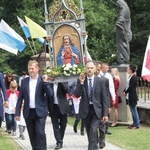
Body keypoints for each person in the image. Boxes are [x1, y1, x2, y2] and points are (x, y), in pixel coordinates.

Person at [15, 60, 53, 150]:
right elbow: (20, 98)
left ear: (37, 69)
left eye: (32, 68)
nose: (30, 70)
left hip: (40, 112)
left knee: (40, 132)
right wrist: (17, 113)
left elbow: (50, 94)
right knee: (32, 135)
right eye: (29, 69)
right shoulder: (24, 81)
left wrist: (45, 82)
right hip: (28, 112)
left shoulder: (42, 80)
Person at [74, 60, 108, 150]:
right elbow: (77, 94)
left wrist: (105, 114)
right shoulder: (81, 80)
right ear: (85, 69)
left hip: (97, 110)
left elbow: (104, 98)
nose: (89, 69)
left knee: (93, 129)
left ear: (95, 69)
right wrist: (81, 83)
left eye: (91, 68)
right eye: (88, 68)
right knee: (90, 132)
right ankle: (94, 147)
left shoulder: (101, 81)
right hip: (85, 110)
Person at [47, 82, 70, 150]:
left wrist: (61, 82)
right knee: (55, 126)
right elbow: (47, 96)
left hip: (62, 107)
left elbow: (67, 90)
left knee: (63, 125)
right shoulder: (49, 85)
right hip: (53, 108)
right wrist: (47, 109)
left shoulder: (63, 83)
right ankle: (59, 142)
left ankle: (60, 138)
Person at [95, 62, 110, 149]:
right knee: (94, 125)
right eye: (97, 69)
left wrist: (107, 106)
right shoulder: (90, 79)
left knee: (102, 124)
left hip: (102, 106)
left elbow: (106, 94)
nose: (98, 70)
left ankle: (102, 140)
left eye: (99, 69)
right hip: (94, 106)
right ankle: (96, 139)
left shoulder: (104, 80)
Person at [100, 62, 116, 135]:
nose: (107, 69)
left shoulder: (109, 76)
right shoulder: (98, 74)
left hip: (106, 95)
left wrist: (113, 96)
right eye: (106, 68)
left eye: (108, 68)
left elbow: (111, 87)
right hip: (98, 96)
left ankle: (106, 128)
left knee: (107, 111)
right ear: (102, 68)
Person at [123, 64, 140, 130]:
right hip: (128, 96)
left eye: (128, 69)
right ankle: (134, 123)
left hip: (132, 96)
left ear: (130, 70)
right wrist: (124, 90)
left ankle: (137, 124)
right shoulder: (130, 76)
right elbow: (127, 86)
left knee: (134, 111)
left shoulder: (134, 77)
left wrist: (126, 92)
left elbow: (131, 87)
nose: (127, 70)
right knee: (132, 111)